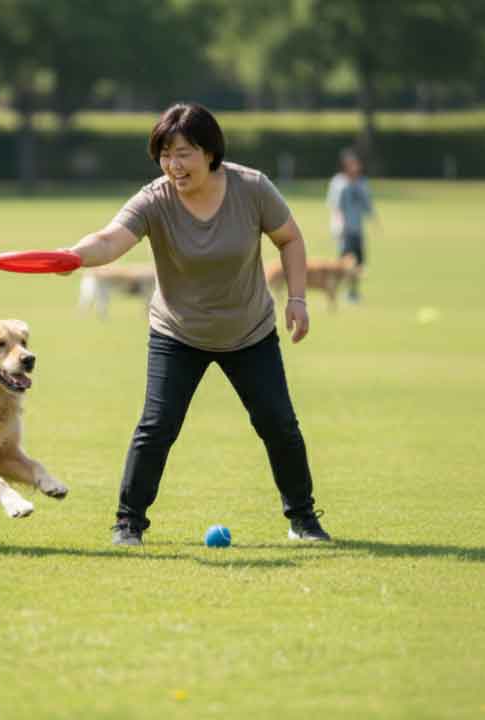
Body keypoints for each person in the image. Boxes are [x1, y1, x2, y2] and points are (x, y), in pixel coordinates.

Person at [62, 103, 330, 546]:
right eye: (165, 154)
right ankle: (128, 523)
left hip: (249, 331)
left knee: (279, 424)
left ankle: (303, 520)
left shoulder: (252, 188)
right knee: (157, 426)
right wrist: (73, 256)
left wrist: (297, 299)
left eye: (183, 153)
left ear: (209, 152)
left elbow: (290, 238)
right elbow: (110, 240)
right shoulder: (155, 199)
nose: (173, 165)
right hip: (177, 332)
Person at [325, 147, 374, 302]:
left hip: (357, 228)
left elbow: (367, 205)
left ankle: (353, 292)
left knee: (358, 262)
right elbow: (334, 205)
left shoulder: (362, 183)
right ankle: (338, 291)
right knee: (343, 262)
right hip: (343, 229)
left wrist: (374, 218)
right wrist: (338, 224)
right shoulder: (338, 183)